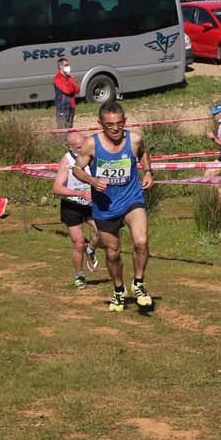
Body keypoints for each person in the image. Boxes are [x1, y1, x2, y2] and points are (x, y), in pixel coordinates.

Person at [72, 101, 153, 312]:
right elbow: (77, 169)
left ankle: (139, 283)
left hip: (131, 198)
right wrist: (92, 181)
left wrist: (148, 171)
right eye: (109, 125)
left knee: (141, 241)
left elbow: (143, 153)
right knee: (113, 253)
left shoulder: (134, 139)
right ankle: (118, 290)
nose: (115, 128)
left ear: (124, 121)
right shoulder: (91, 144)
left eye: (119, 123)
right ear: (101, 123)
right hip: (105, 204)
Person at [52, 135, 98, 289]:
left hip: (92, 204)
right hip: (72, 205)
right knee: (78, 243)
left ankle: (90, 249)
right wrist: (79, 194)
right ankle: (79, 276)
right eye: (78, 147)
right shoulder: (66, 161)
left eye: (84, 145)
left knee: (102, 234)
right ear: (70, 147)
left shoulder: (93, 156)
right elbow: (57, 188)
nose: (82, 149)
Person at [53, 58, 79, 130]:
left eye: (68, 65)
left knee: (70, 128)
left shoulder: (69, 77)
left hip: (71, 106)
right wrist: (72, 82)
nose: (68, 67)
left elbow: (77, 89)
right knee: (62, 130)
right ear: (61, 67)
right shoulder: (57, 78)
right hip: (62, 107)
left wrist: (71, 82)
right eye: (66, 65)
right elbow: (68, 91)